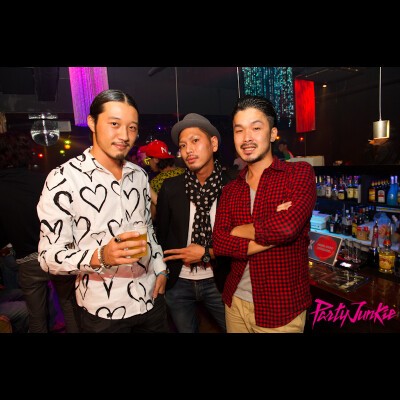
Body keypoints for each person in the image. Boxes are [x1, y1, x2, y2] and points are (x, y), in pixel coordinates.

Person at [37, 89, 169, 333]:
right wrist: (101, 256)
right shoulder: (63, 179)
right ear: (92, 122)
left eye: (132, 127)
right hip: (104, 311)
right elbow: (48, 257)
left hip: (151, 298)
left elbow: (148, 227)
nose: (125, 136)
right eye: (114, 124)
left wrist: (160, 268)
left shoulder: (139, 175)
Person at [212, 95, 317, 333]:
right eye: (239, 130)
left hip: (281, 309)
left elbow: (287, 228)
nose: (246, 138)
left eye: (256, 128)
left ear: (272, 134)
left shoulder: (298, 173)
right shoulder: (230, 190)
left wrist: (237, 231)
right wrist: (274, 228)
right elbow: (219, 243)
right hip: (234, 302)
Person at [156, 113, 234, 333]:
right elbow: (160, 235)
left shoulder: (233, 186)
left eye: (195, 141)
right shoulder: (171, 187)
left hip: (220, 281)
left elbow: (239, 240)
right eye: (183, 145)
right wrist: (162, 272)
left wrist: (207, 253)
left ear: (213, 144)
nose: (188, 150)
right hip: (178, 282)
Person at [0, 131, 79, 333]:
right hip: (57, 254)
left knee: (36, 318)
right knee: (69, 309)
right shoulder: (45, 180)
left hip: (27, 259)